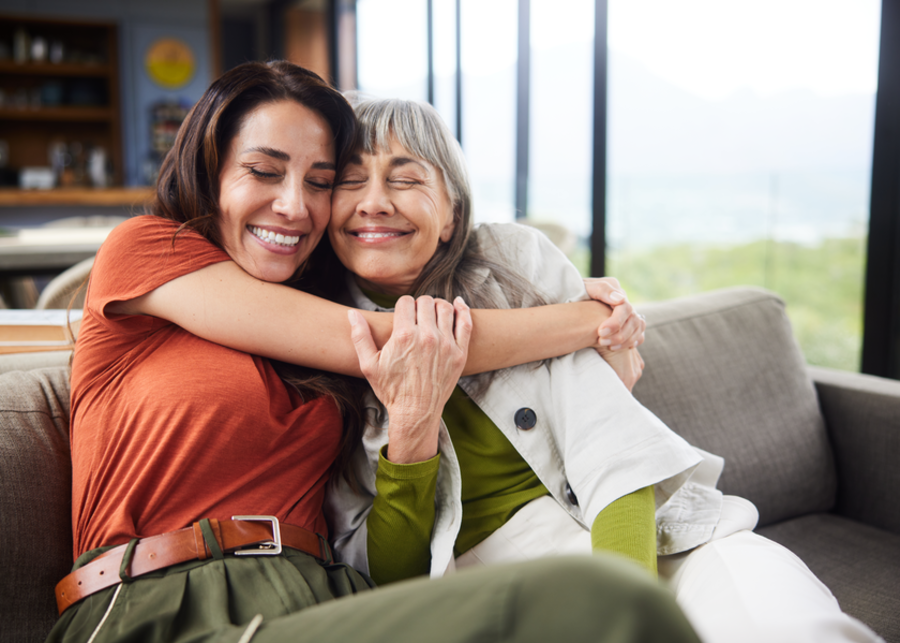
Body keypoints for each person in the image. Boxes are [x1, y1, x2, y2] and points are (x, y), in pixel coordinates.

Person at [46, 60, 702, 643]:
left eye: (321, 181)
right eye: (263, 171)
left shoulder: (319, 314)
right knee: (602, 597)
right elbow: (412, 342)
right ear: (209, 171)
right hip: (164, 600)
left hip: (327, 594)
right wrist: (589, 320)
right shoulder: (144, 250)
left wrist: (556, 300)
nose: (293, 205)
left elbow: (414, 314)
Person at [323, 97, 884, 643]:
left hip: (653, 532)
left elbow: (614, 449)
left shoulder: (514, 263)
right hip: (492, 583)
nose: (374, 201)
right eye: (351, 180)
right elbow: (388, 575)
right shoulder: (317, 343)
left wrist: (625, 605)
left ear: (451, 214)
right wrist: (413, 426)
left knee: (787, 622)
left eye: (406, 179)